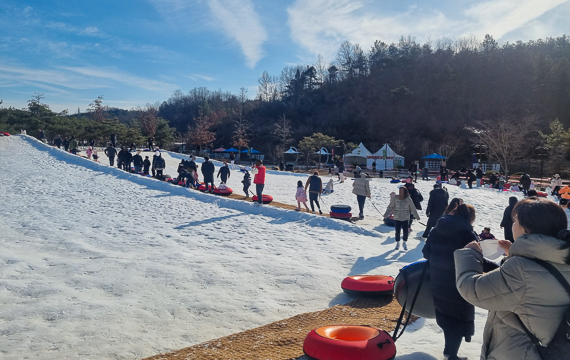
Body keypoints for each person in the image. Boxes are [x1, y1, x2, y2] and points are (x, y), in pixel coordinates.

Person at [455, 197, 570, 360]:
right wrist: (519, 254)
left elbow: (472, 289)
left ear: (526, 228)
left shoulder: (521, 270)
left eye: (515, 221)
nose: (513, 225)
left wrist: (469, 254)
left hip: (519, 352)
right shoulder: (562, 258)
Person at [423, 204, 479, 360]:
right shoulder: (467, 234)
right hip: (458, 282)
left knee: (446, 316)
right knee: (458, 319)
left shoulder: (437, 229)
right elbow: (475, 259)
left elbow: (425, 253)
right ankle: (452, 355)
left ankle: (449, 352)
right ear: (470, 218)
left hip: (438, 279)